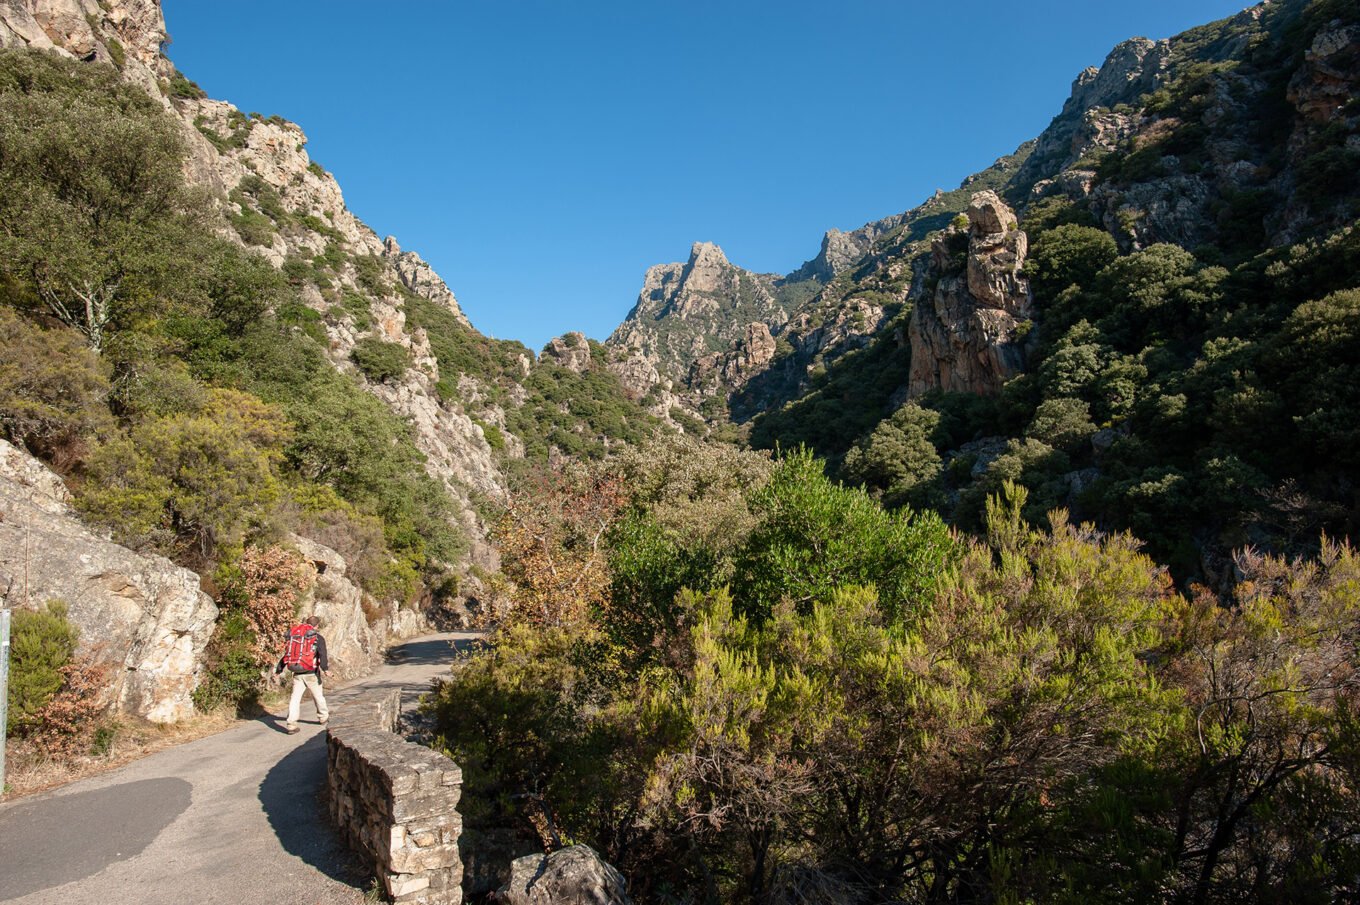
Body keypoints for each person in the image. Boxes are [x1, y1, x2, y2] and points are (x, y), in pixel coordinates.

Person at [275, 615, 330, 734]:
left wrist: (279, 670)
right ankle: (323, 717)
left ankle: (291, 724)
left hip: (297, 673)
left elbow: (287, 655)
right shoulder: (317, 638)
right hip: (312, 673)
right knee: (318, 696)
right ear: (317, 625)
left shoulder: (297, 638)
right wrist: (325, 669)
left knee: (295, 699)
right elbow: (322, 655)